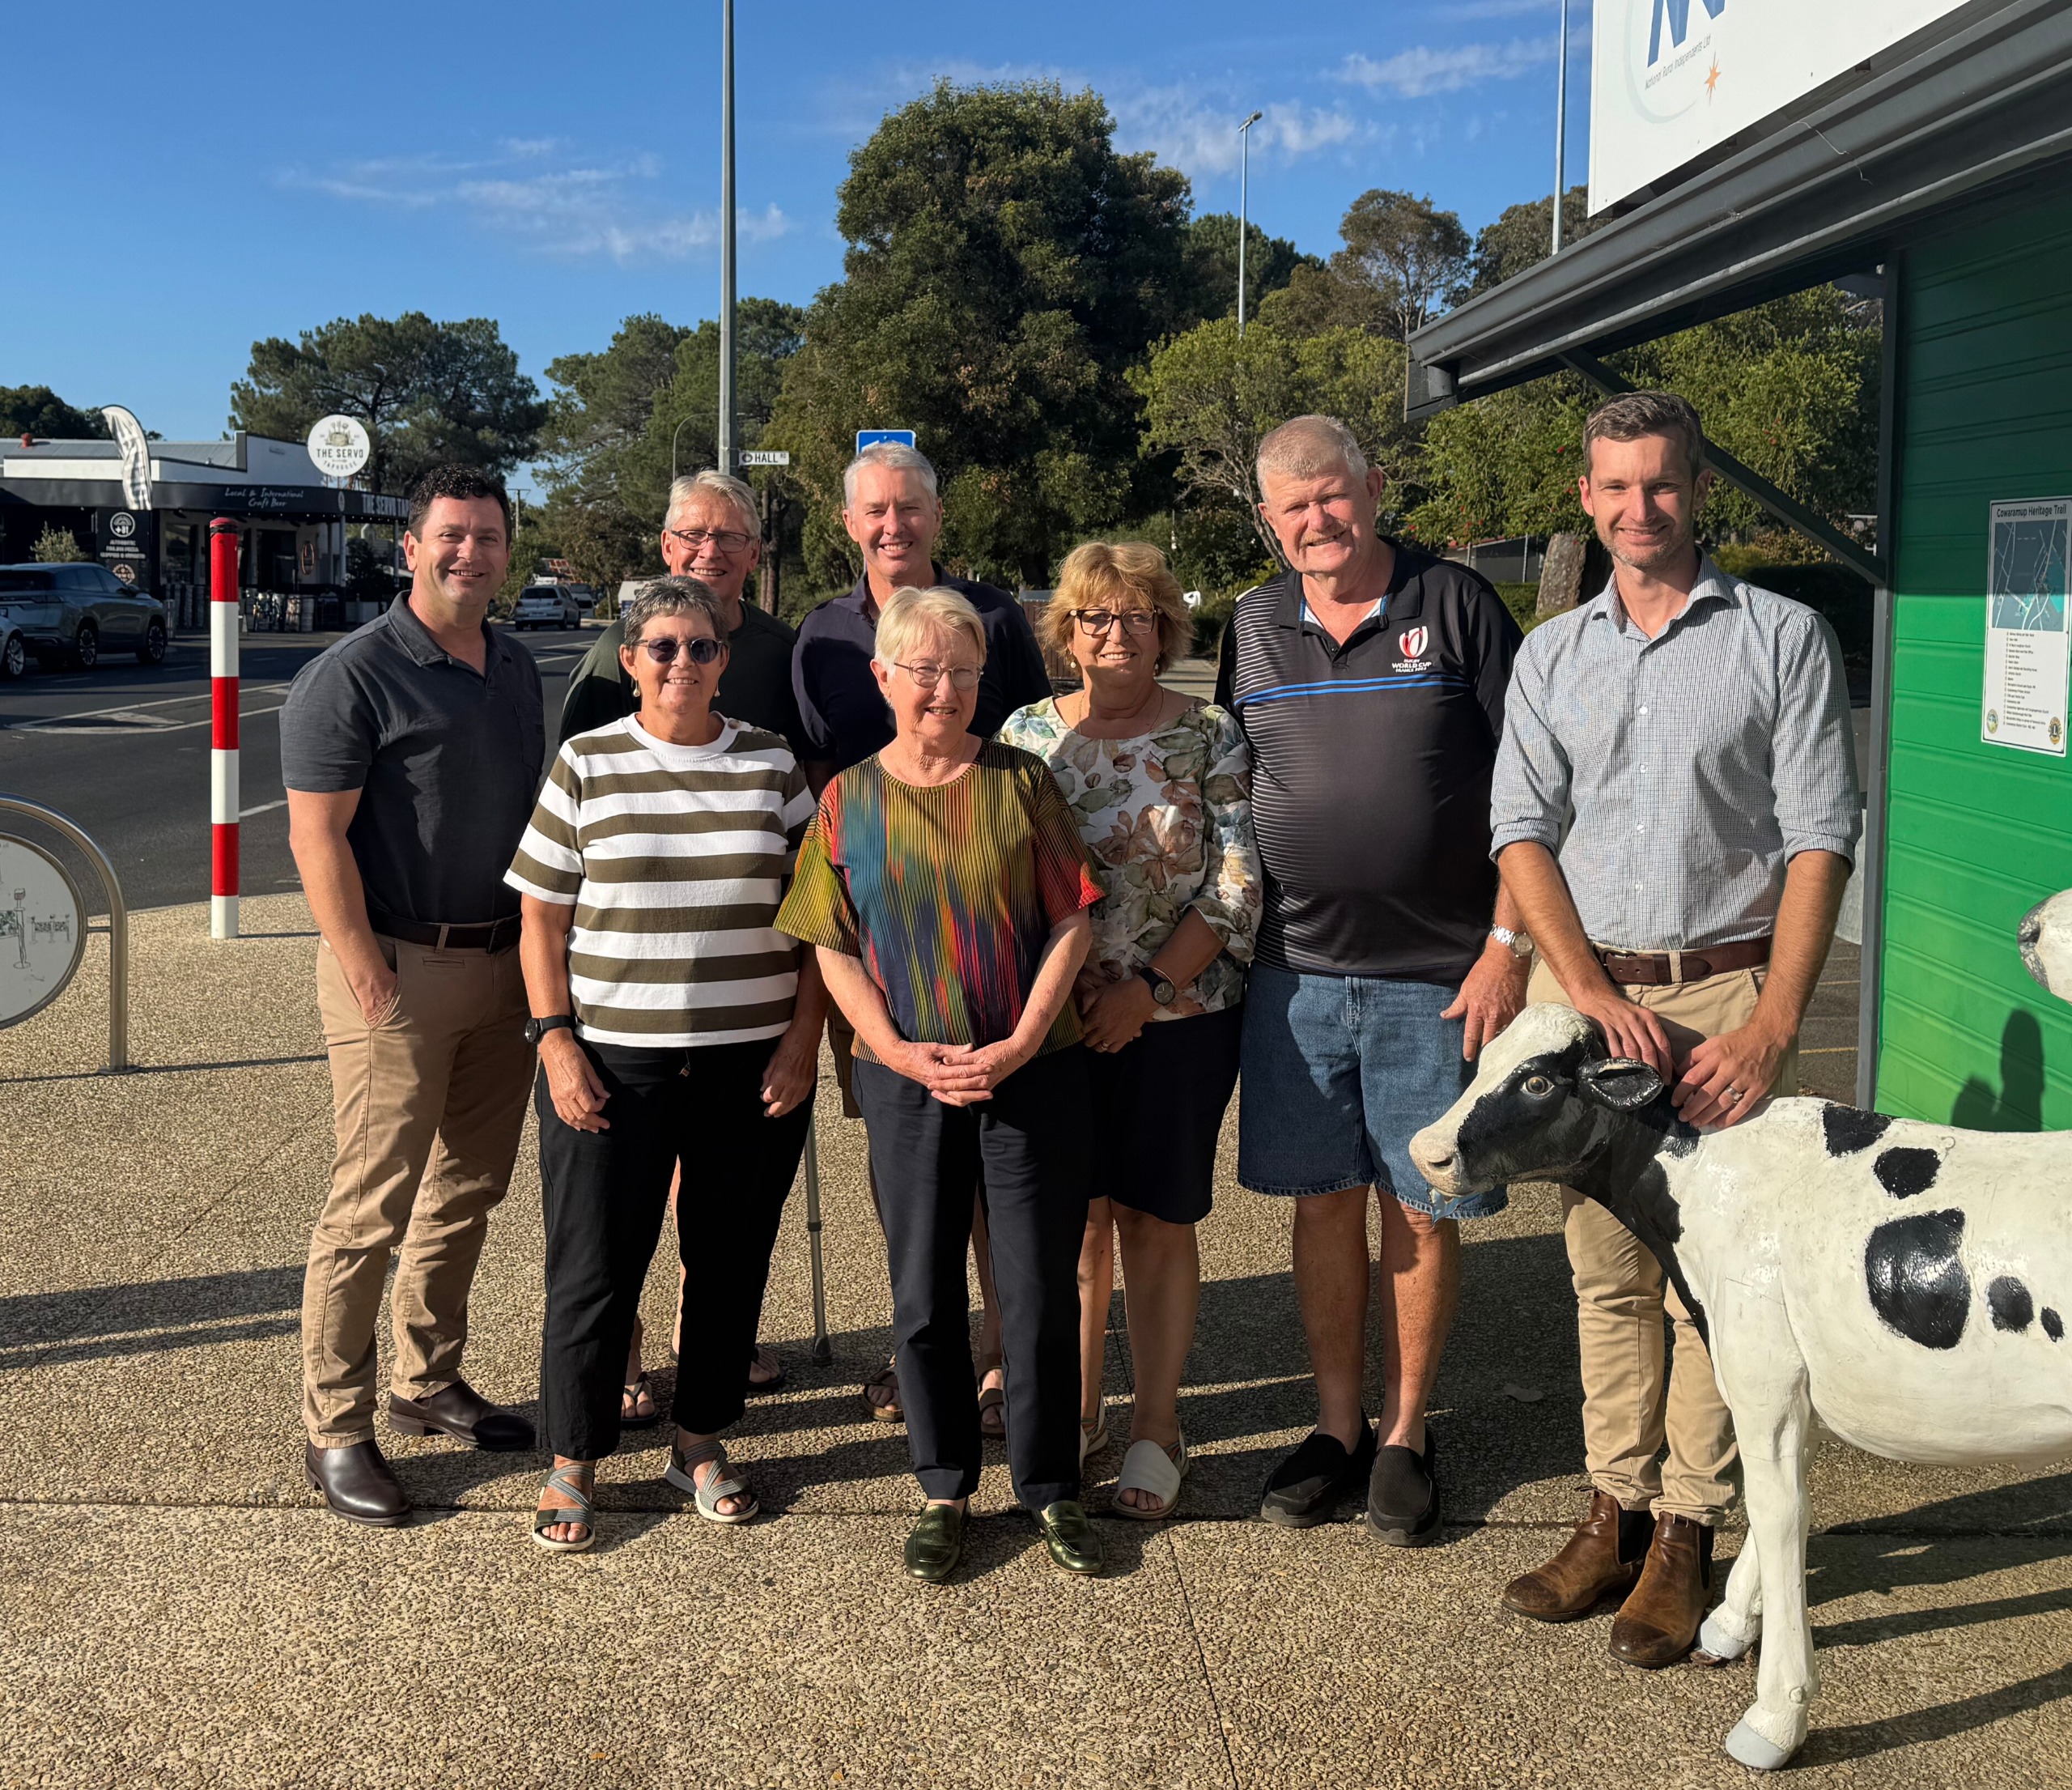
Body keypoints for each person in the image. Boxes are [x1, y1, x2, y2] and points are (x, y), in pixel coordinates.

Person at [1489, 389, 1859, 1665]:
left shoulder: (1781, 637)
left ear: (1697, 488)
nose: (1638, 508)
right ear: (1585, 497)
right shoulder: (1552, 654)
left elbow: (1821, 838)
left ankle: (1689, 1533)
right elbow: (1521, 832)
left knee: (1715, 1287)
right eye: (1614, 487)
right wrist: (1580, 988)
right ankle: (1613, 1504)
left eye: (1661, 483)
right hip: (1590, 1005)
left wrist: (1773, 1023)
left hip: (1722, 1001)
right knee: (1607, 1272)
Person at [1215, 414, 1529, 1546]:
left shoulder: (1456, 607)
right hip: (1293, 975)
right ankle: (1337, 1425)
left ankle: (1406, 1431)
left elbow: (1531, 794)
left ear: (1374, 487)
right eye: (1291, 506)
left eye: (1332, 495)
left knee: (1422, 1207)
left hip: (1438, 980)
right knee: (1320, 1204)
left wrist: (1509, 947)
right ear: (1267, 518)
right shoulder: (1252, 625)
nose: (1316, 520)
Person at [777, 586, 1105, 1583]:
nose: (944, 689)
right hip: (904, 1078)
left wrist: (1019, 1042)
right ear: (883, 678)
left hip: (1027, 1072)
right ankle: (943, 1486)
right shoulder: (845, 800)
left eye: (963, 672)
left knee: (1038, 1287)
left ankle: (1050, 1487)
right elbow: (830, 944)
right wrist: (896, 1049)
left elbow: (1073, 918)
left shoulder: (1021, 783)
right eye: (923, 669)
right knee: (922, 1292)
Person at [508, 577, 822, 1552]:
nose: (682, 662)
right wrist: (554, 1038)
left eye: (701, 646)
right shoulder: (587, 763)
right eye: (662, 647)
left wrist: (805, 1037)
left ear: (726, 658)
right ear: (630, 659)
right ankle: (574, 1460)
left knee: (728, 1262)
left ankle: (701, 1439)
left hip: (750, 1066)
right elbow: (541, 916)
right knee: (596, 1267)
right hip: (610, 1064)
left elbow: (819, 920)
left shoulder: (772, 764)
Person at [282, 464, 543, 1527]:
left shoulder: (514, 664)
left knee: (468, 1188)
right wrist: (363, 969)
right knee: (370, 1203)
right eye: (450, 535)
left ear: (504, 552)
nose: (468, 553)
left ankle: (426, 1377)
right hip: (398, 965)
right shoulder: (354, 674)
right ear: (410, 547)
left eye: (486, 537)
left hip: (503, 962)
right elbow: (314, 833)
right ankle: (336, 1426)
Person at [791, 440, 1053, 1427]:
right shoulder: (821, 637)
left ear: (937, 517)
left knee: (994, 1158)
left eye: (910, 509)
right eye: (875, 512)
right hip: (875, 941)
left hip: (991, 930)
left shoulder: (991, 619)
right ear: (849, 522)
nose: (893, 526)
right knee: (907, 1163)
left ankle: (995, 1355)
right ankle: (922, 1353)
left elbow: (1031, 745)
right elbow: (818, 782)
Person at [998, 542, 1261, 1521]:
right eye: (1094, 618)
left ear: (1165, 629)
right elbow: (995, 872)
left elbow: (1236, 884)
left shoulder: (1206, 735)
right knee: (1073, 1230)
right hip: (1053, 1021)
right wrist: (1048, 1002)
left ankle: (1157, 1427)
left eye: (1138, 616)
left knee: (1154, 1220)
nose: (1116, 633)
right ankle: (1074, 1416)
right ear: (1066, 634)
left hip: (1178, 1017)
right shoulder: (1024, 734)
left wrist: (1145, 990)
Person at [557, 470, 797, 1424]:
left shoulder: (787, 648)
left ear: (752, 552)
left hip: (749, 974)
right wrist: (557, 1020)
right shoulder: (607, 665)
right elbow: (575, 824)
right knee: (616, 1219)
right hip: (629, 995)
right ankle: (617, 1361)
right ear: (667, 548)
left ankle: (711, 1364)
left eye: (729, 535)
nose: (709, 550)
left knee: (726, 1211)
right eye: (692, 534)